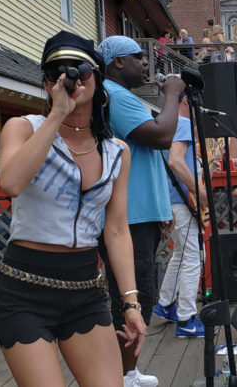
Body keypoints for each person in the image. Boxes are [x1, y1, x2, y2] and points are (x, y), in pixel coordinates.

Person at [0, 31, 147, 387]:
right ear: (46, 82)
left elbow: (116, 229)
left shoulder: (116, 152)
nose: (69, 79)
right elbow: (12, 183)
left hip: (84, 288)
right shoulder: (23, 128)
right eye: (55, 72)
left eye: (79, 69)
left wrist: (131, 303)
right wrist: (56, 114)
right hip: (24, 288)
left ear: (97, 76)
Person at [97, 35, 182, 386]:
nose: (146, 63)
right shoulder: (113, 95)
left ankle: (129, 371)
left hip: (139, 213)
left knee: (138, 293)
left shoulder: (120, 95)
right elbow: (162, 135)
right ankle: (122, 375)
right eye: (138, 57)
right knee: (133, 296)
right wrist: (173, 94)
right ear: (118, 62)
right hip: (127, 217)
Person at [154, 92, 208, 338]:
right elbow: (177, 162)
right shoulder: (183, 123)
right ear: (186, 100)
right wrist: (200, 191)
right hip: (184, 201)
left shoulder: (161, 124)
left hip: (170, 200)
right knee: (192, 258)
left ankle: (165, 304)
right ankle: (186, 318)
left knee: (180, 254)